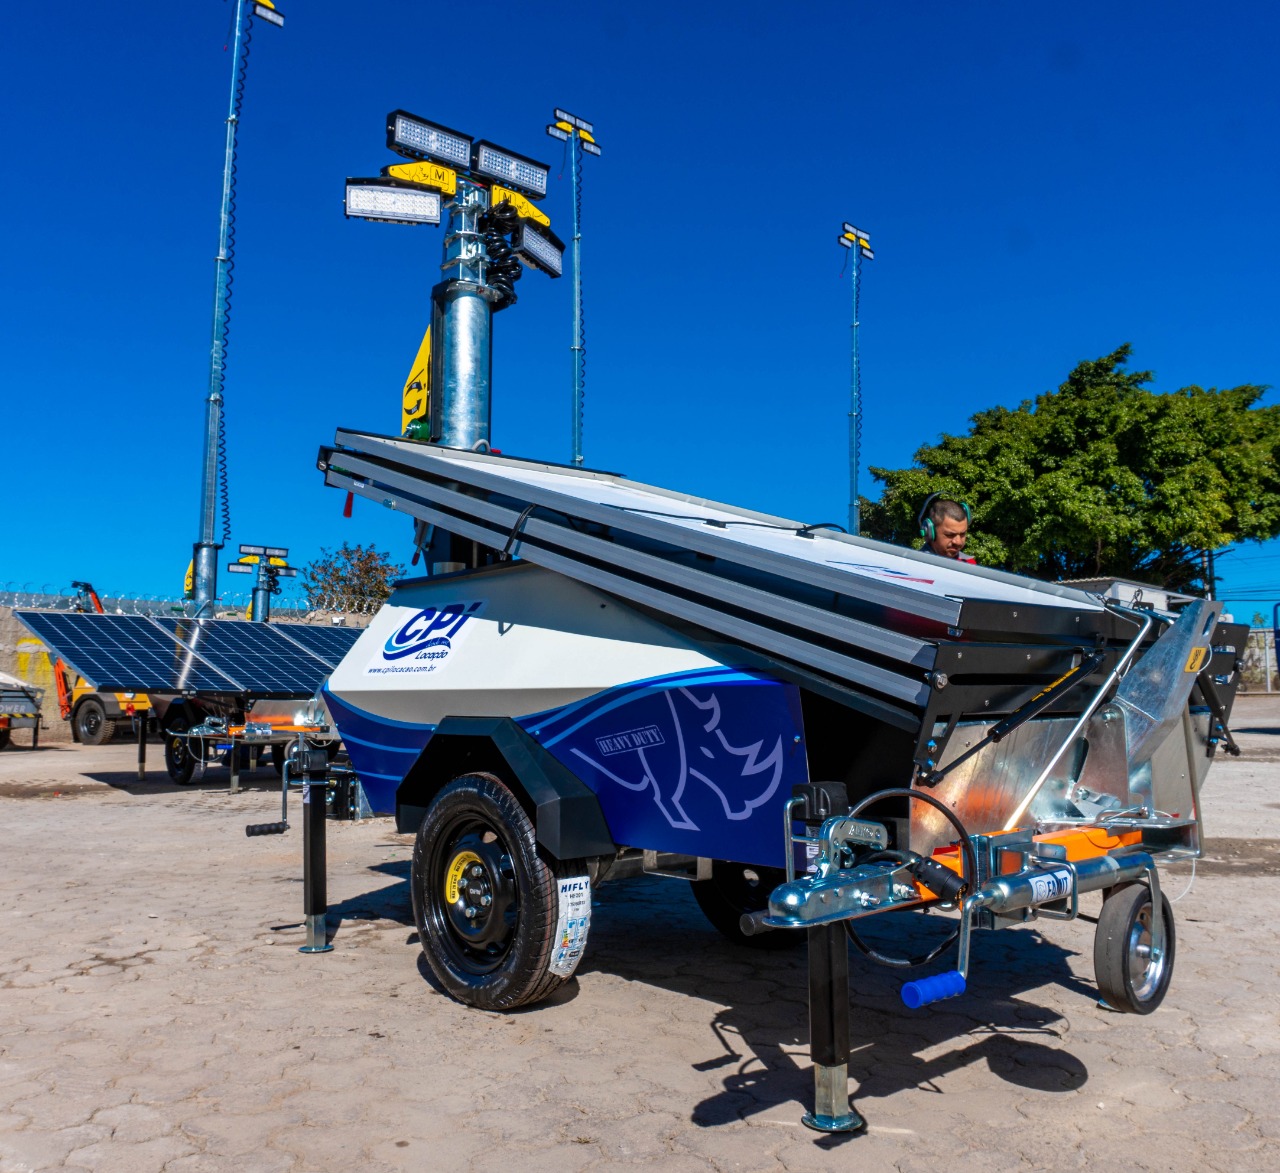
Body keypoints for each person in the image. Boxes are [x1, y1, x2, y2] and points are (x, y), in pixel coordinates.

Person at [918, 493, 976, 564]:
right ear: (929, 532)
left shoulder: (969, 563)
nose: (958, 542)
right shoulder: (916, 565)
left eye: (962, 534)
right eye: (950, 535)